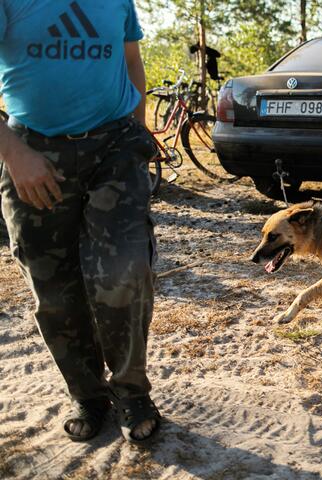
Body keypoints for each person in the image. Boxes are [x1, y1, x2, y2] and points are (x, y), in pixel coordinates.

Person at [0, 0, 160, 443]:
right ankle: (87, 394)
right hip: (34, 152)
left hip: (114, 147)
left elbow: (131, 60)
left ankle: (131, 392)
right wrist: (14, 153)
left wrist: (138, 133)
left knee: (123, 272)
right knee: (54, 287)